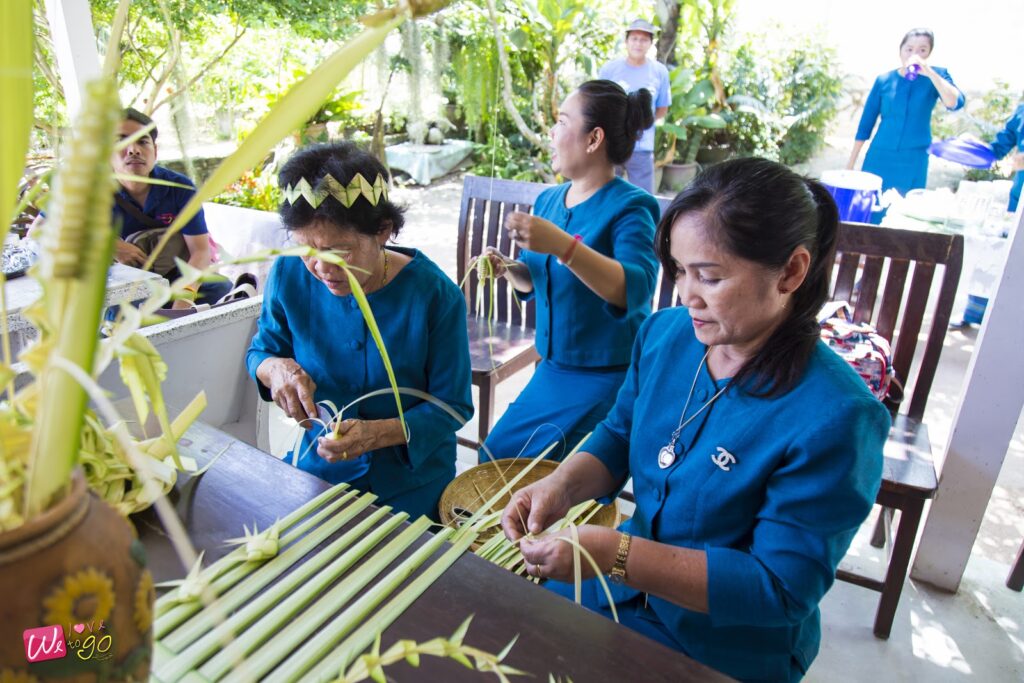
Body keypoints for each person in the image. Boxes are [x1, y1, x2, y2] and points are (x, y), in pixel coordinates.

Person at [501, 158, 890, 681]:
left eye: (710, 276)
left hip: (727, 642)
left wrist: (614, 554)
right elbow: (618, 435)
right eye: (680, 272)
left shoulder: (836, 416)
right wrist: (560, 484)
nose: (687, 296)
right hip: (618, 589)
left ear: (791, 272)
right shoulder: (665, 335)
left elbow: (777, 587)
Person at [246, 142, 472, 520]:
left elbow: (454, 405)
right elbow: (261, 351)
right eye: (307, 249)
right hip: (319, 469)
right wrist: (276, 369)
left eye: (340, 250)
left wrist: (377, 434)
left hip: (411, 482)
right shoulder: (288, 275)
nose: (321, 267)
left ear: (383, 231)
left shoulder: (434, 294)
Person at [478, 80, 660, 463]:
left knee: (527, 473)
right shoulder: (549, 200)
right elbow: (535, 276)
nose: (552, 132)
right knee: (494, 459)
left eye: (561, 121)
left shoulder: (632, 207)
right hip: (553, 368)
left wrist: (563, 245)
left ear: (594, 138)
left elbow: (635, 289)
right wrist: (508, 268)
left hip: (608, 375)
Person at [110, 108, 230, 306]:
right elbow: (42, 231)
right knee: (120, 313)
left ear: (155, 151)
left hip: (176, 277)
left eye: (142, 141)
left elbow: (200, 251)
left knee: (221, 288)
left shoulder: (179, 188)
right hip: (125, 286)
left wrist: (186, 293)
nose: (134, 149)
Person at [847, 28, 965, 196]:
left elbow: (955, 102)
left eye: (922, 50)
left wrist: (929, 72)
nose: (914, 54)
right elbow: (865, 124)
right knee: (869, 203)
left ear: (929, 53)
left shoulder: (937, 76)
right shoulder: (884, 80)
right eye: (909, 49)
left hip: (914, 156)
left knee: (903, 209)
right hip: (880, 153)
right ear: (900, 51)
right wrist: (851, 165)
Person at [948, 103, 1024, 330]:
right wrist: (973, 149)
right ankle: (975, 313)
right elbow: (1000, 145)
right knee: (995, 254)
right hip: (1017, 197)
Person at [598, 19, 671, 194]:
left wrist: (638, 125)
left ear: (650, 43)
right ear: (626, 41)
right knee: (604, 194)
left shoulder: (660, 72)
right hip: (611, 143)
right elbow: (599, 105)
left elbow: (661, 109)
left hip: (642, 147)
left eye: (644, 39)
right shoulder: (609, 69)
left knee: (643, 198)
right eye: (634, 38)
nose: (638, 43)